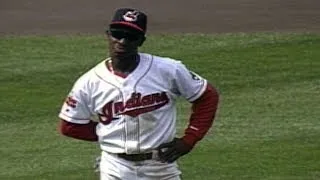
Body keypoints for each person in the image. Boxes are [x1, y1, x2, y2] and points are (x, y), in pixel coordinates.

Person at [58, 7, 219, 180]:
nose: (122, 41)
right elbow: (70, 125)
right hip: (115, 167)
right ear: (108, 35)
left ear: (141, 41)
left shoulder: (168, 70)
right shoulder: (89, 82)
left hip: (161, 166)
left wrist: (190, 139)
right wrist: (107, 133)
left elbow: (207, 96)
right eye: (117, 34)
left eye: (131, 36)